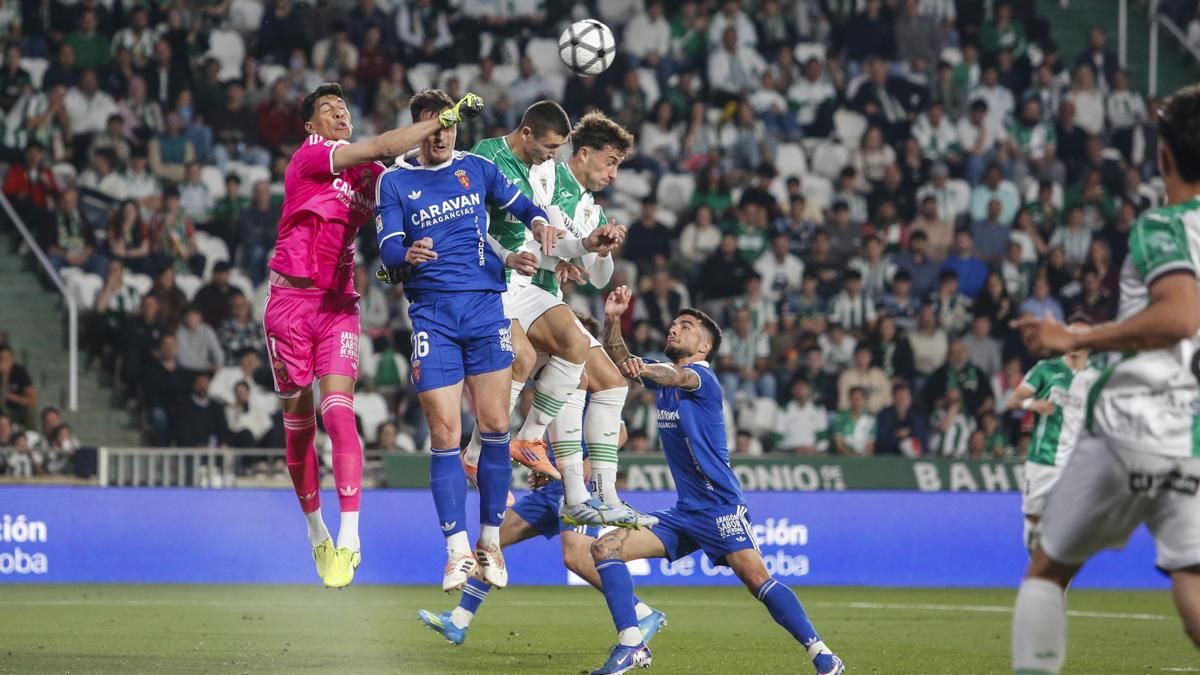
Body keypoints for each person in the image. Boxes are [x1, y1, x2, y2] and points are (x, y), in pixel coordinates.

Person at [262, 82, 483, 589]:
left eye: (343, 106)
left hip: (338, 305)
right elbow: (387, 145)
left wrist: (401, 259)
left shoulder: (374, 178)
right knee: (298, 425)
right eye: (328, 109)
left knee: (338, 412)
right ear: (310, 126)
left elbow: (410, 189)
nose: (340, 113)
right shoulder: (312, 156)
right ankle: (316, 529)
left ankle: (351, 535)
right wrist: (443, 116)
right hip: (290, 305)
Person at [1010, 85, 1200, 674]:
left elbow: (1178, 315)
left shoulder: (1163, 227)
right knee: (1191, 577)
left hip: (1132, 422)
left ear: (1163, 156)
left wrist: (1077, 338)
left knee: (1046, 570)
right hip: (1191, 434)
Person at [593, 285, 844, 675]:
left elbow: (672, 375)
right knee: (606, 548)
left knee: (756, 578)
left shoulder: (701, 379)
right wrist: (612, 320)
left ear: (704, 346)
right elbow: (623, 359)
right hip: (685, 513)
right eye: (674, 324)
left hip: (720, 507)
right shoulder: (665, 376)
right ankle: (632, 645)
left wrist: (646, 368)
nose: (675, 329)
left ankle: (822, 654)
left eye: (687, 326)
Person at [374, 89, 553, 593]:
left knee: (496, 424)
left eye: (449, 126)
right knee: (445, 433)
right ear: (418, 129)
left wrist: (538, 223)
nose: (443, 134)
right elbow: (386, 248)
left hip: (483, 309)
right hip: (432, 316)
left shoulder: (475, 168)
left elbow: (520, 204)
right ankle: (456, 552)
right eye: (433, 126)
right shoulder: (395, 181)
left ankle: (490, 541)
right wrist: (407, 253)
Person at [467, 104, 651, 528]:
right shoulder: (548, 174)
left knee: (608, 380)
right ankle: (560, 480)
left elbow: (598, 276)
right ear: (582, 153)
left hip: (542, 288)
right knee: (546, 364)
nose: (613, 175)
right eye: (611, 162)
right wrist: (571, 249)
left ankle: (593, 495)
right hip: (514, 280)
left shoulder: (592, 208)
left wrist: (597, 246)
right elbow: (536, 227)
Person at [416, 439, 668, 648]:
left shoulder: (585, 383)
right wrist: (543, 472)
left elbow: (620, 431)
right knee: (490, 542)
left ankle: (643, 613)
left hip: (576, 489)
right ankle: (459, 620)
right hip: (549, 490)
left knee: (576, 559)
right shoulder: (548, 397)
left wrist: (590, 463)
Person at [1005, 315, 1099, 553]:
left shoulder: (1096, 379)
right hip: (1042, 459)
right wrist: (1032, 405)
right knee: (1033, 522)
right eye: (1071, 335)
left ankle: (1057, 587)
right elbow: (1013, 400)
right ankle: (1036, 569)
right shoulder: (1045, 369)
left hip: (1074, 463)